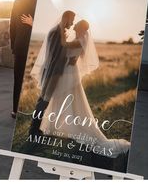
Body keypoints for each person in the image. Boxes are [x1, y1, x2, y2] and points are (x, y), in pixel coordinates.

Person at [38, 20, 130, 158]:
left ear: (81, 28)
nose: (74, 25)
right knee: (62, 97)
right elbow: (74, 53)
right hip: (67, 70)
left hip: (69, 72)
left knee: (67, 97)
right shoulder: (78, 39)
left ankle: (65, 126)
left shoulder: (80, 40)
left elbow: (64, 45)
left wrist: (61, 28)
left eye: (77, 24)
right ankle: (57, 125)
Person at [28, 10, 76, 135]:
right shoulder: (56, 32)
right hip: (53, 70)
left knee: (44, 99)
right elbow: (55, 56)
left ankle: (35, 128)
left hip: (54, 69)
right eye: (72, 20)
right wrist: (68, 59)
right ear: (66, 18)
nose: (72, 23)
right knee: (44, 100)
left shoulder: (59, 31)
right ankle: (34, 130)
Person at [10, 0, 47, 119]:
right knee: (39, 80)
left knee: (18, 79)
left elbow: (12, 27)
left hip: (20, 47)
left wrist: (14, 46)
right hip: (38, 49)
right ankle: (36, 111)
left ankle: (15, 110)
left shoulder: (18, 2)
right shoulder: (45, 5)